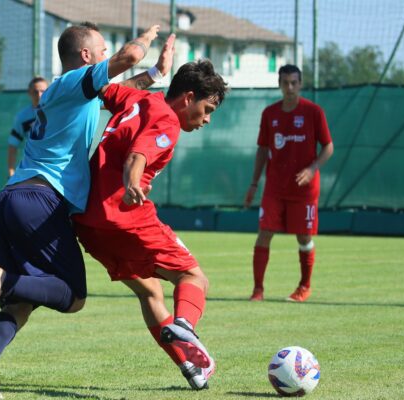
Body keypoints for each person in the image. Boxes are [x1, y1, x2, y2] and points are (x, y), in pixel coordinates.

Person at [0, 22, 175, 398]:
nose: (105, 55)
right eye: (100, 49)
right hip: (39, 202)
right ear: (85, 56)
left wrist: (159, 73)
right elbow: (128, 57)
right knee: (73, 296)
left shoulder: (76, 94)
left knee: (21, 306)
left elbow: (125, 89)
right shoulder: (70, 83)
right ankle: (4, 279)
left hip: (8, 202)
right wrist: (147, 37)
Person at [73, 60, 227, 390]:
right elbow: (136, 157)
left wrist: (154, 72)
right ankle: (185, 325)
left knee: (151, 291)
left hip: (88, 223)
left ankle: (190, 364)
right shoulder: (168, 120)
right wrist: (131, 183)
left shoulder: (139, 99)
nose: (207, 119)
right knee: (194, 277)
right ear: (188, 98)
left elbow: (103, 90)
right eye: (208, 108)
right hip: (126, 216)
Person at [244, 64, 334, 303]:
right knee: (264, 234)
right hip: (275, 187)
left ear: (300, 84)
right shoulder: (270, 114)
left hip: (304, 189)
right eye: (285, 83)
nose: (290, 88)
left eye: (294, 83)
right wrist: (254, 184)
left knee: (303, 238)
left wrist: (312, 169)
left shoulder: (314, 112)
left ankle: (304, 286)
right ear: (279, 85)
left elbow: (328, 147)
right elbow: (262, 150)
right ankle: (258, 290)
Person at [7, 76, 48, 177]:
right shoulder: (22, 117)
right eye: (35, 92)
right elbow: (12, 145)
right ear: (29, 93)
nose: (39, 95)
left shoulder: (58, 112)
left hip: (55, 168)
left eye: (43, 91)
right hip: (31, 169)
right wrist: (11, 171)